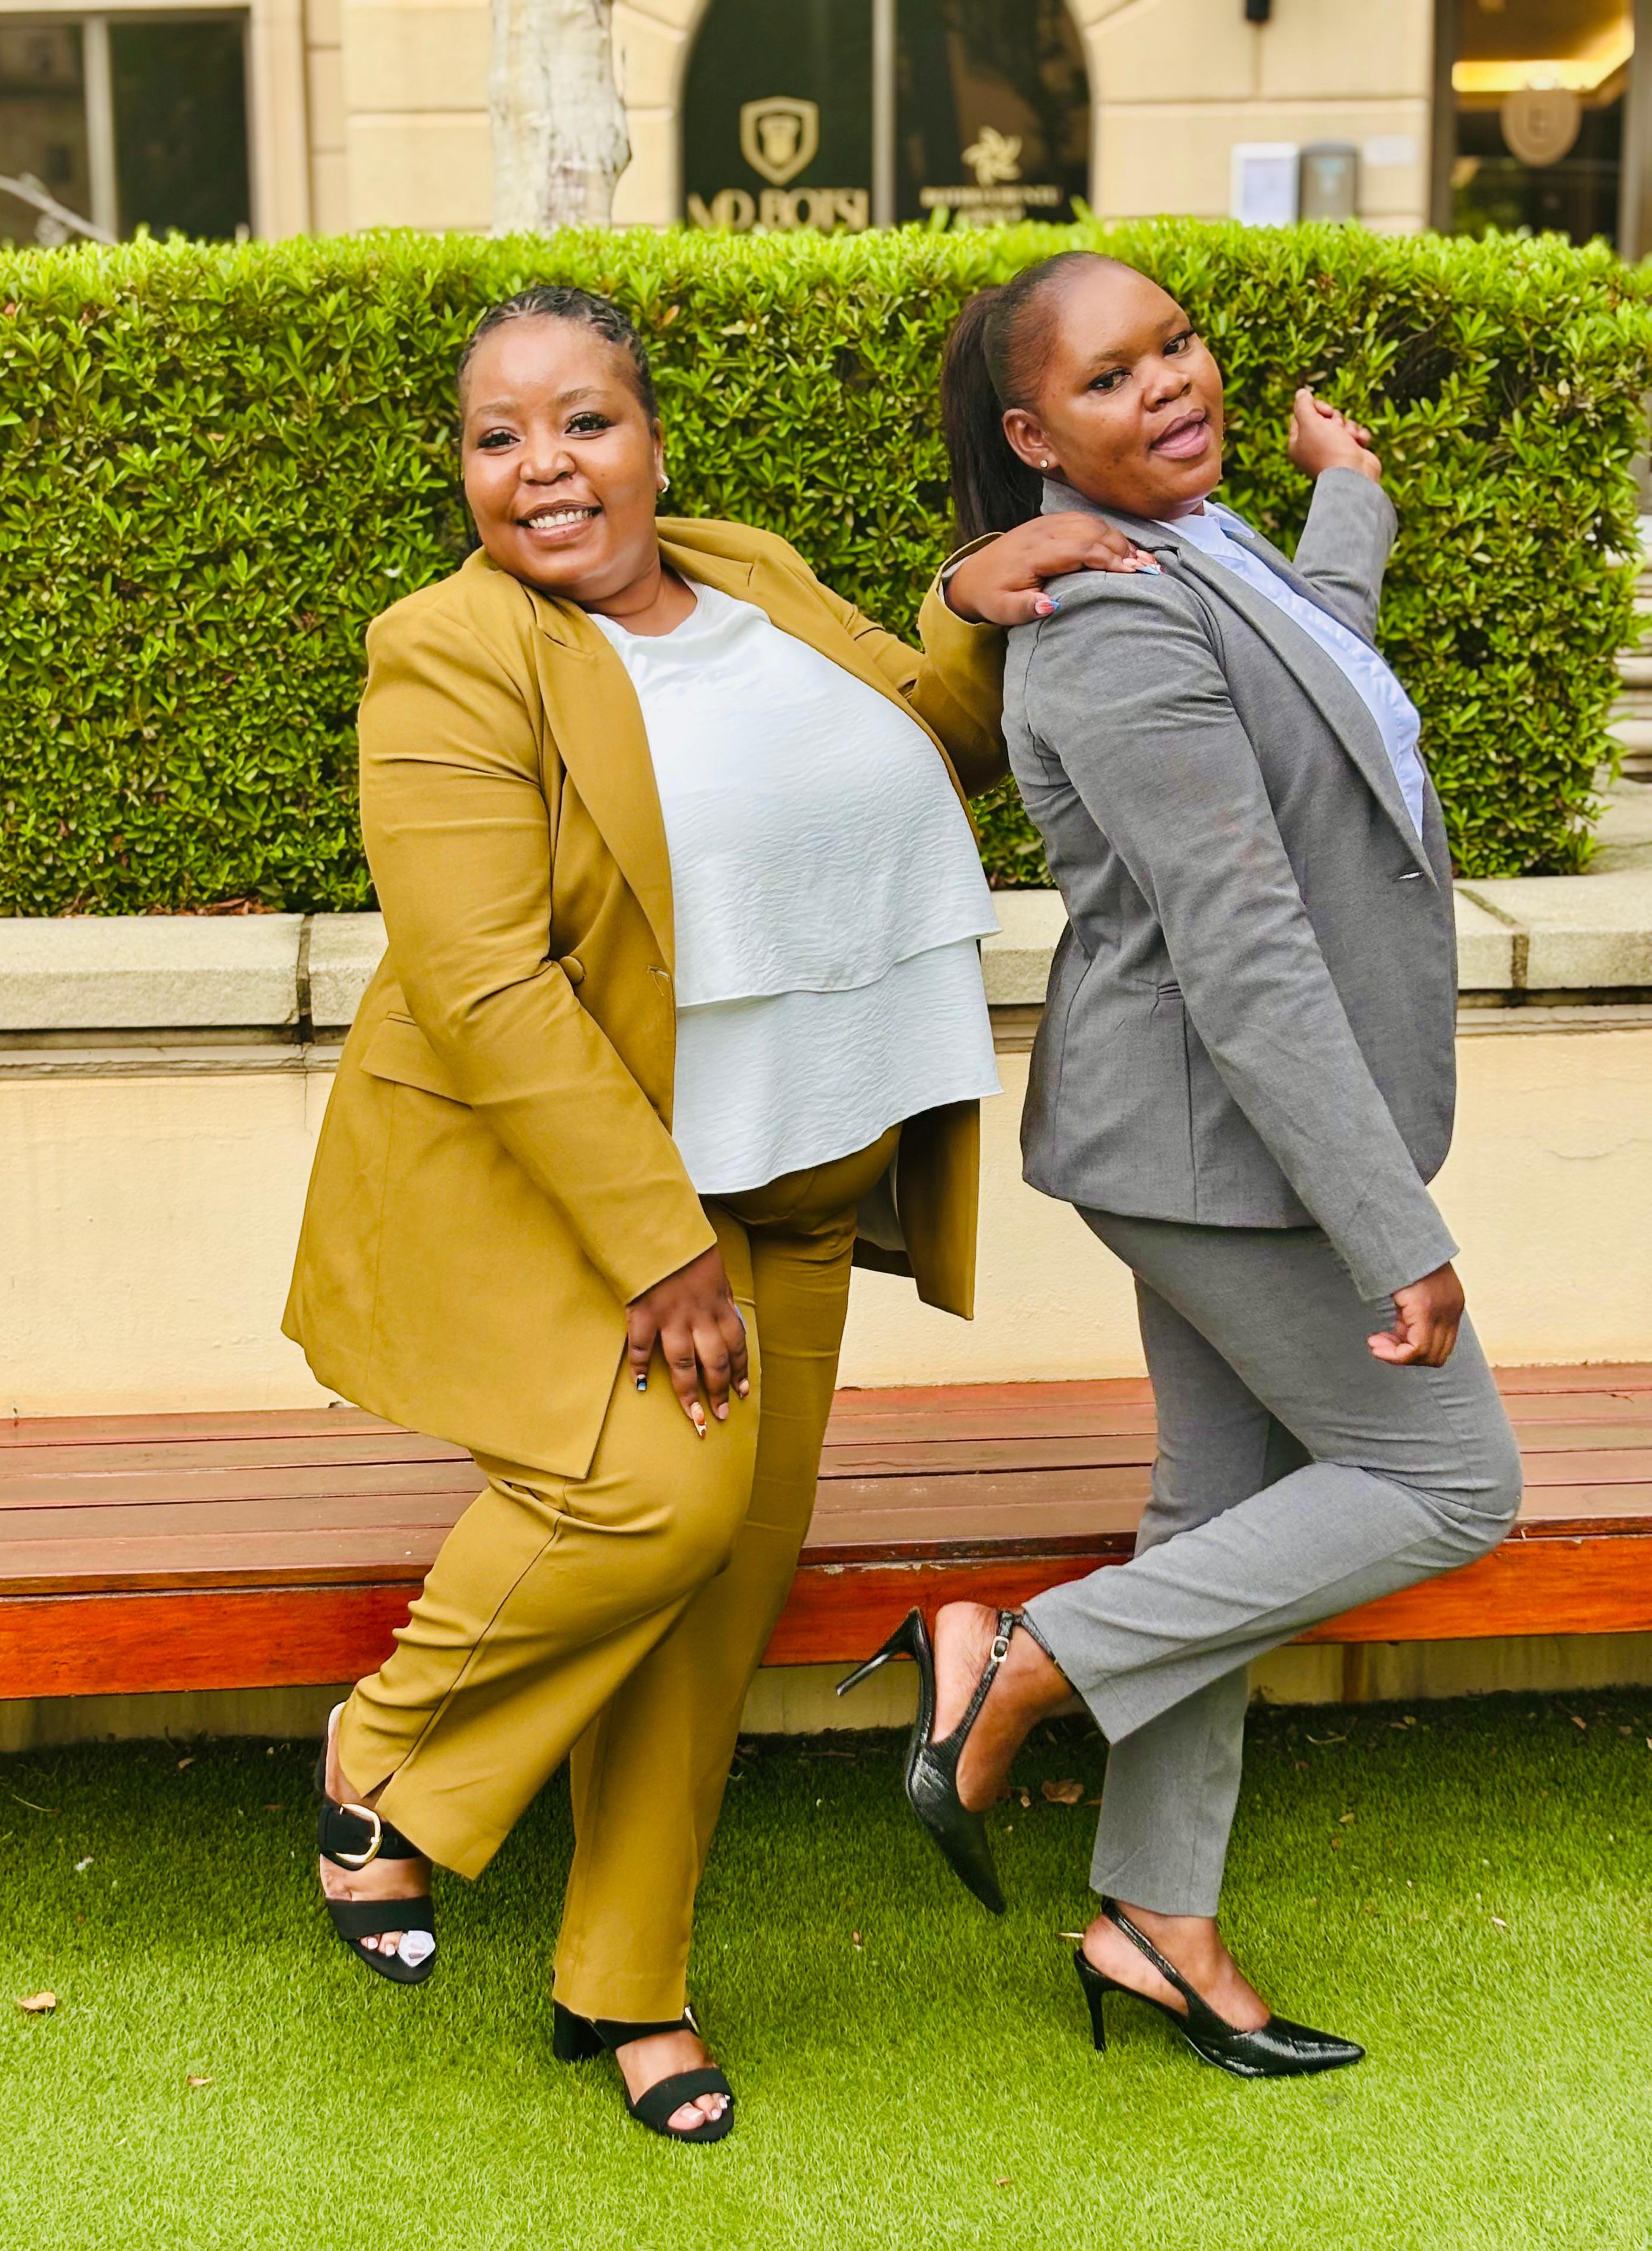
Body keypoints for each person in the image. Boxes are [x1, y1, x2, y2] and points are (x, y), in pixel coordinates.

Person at [283, 283, 1157, 2141]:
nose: (543, 467)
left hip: (809, 1177)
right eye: (498, 436)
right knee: (652, 1505)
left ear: (653, 441)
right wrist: (657, 1244)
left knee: (721, 1592)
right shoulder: (450, 654)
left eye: (584, 422)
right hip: (607, 1201)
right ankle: (386, 1752)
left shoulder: (747, 570)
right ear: (464, 470)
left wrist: (975, 593)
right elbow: (484, 985)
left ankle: (629, 1985)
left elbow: (936, 731)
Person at [843, 252, 1523, 2079]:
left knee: (1222, 1522)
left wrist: (1348, 492)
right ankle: (1014, 1660)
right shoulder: (1107, 619)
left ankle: (1155, 1919)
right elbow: (1245, 952)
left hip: (1209, 1134)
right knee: (1453, 1481)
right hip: (1225, 1141)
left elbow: (1317, 655)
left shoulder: (1193, 549)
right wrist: (1394, 1229)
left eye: (1178, 344)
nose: (1167, 384)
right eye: (1108, 377)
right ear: (1030, 436)